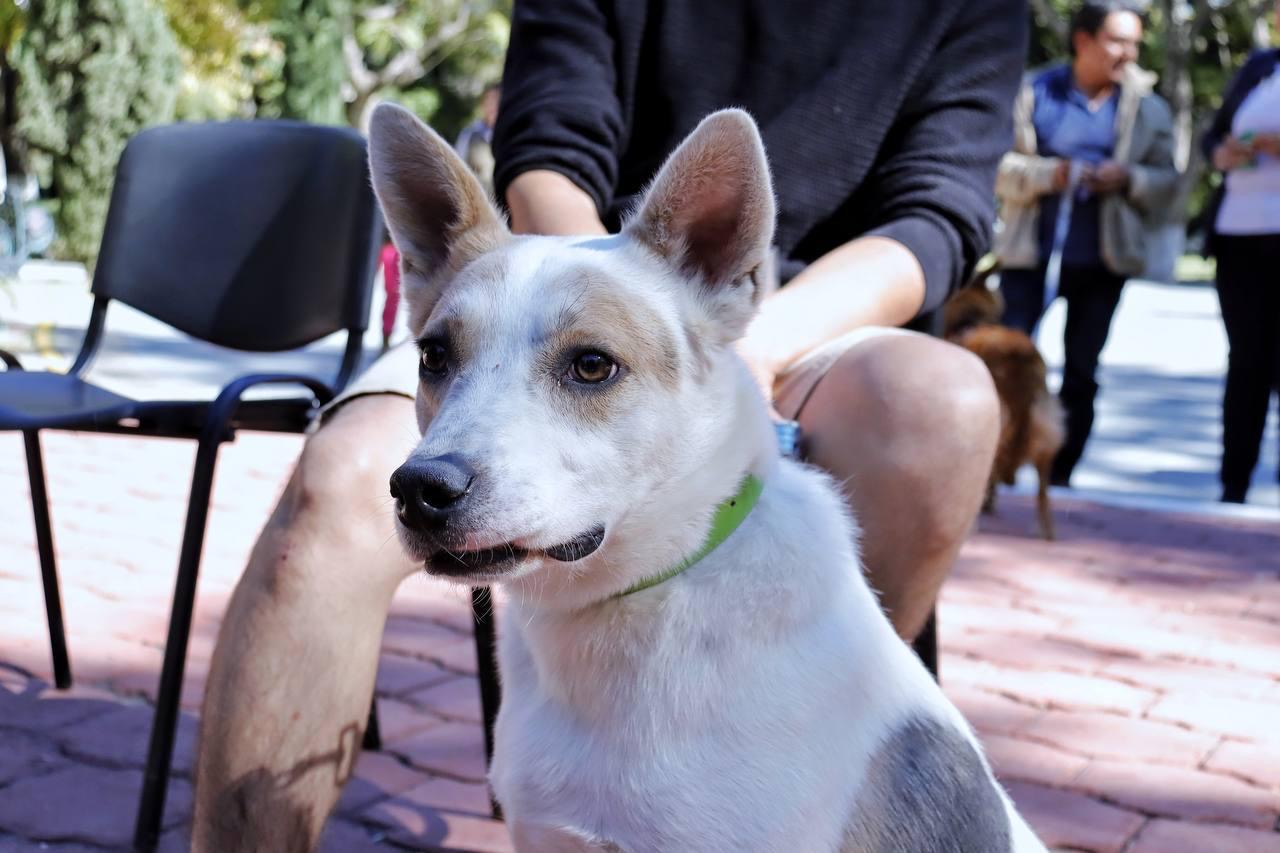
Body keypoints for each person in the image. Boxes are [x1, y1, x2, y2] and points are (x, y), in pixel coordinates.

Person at [194, 0, 1026, 845]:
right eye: (435, 360)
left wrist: (715, 324)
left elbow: (935, 212)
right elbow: (547, 145)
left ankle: (822, 745)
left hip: (804, 306)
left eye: (588, 369)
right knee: (342, 475)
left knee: (940, 402)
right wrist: (604, 292)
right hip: (547, 269)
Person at [994, 0, 1178, 487]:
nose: (1129, 53)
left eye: (1134, 43)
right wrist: (1050, 175)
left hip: (1102, 260)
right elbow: (997, 166)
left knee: (1082, 369)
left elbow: (1168, 182)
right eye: (1118, 41)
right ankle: (999, 466)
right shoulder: (1032, 93)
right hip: (1029, 255)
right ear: (1083, 41)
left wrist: (1128, 178)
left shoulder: (1147, 108)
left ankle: (1060, 478)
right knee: (1011, 362)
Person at [1200, 4, 1280, 504]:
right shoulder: (1260, 66)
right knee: (1246, 360)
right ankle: (1234, 483)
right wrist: (1222, 153)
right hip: (1239, 235)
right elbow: (1213, 134)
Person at [454, 81, 501, 198]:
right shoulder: (469, 134)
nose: (493, 106)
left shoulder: (512, 136)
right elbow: (458, 169)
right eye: (489, 101)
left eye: (497, 101)